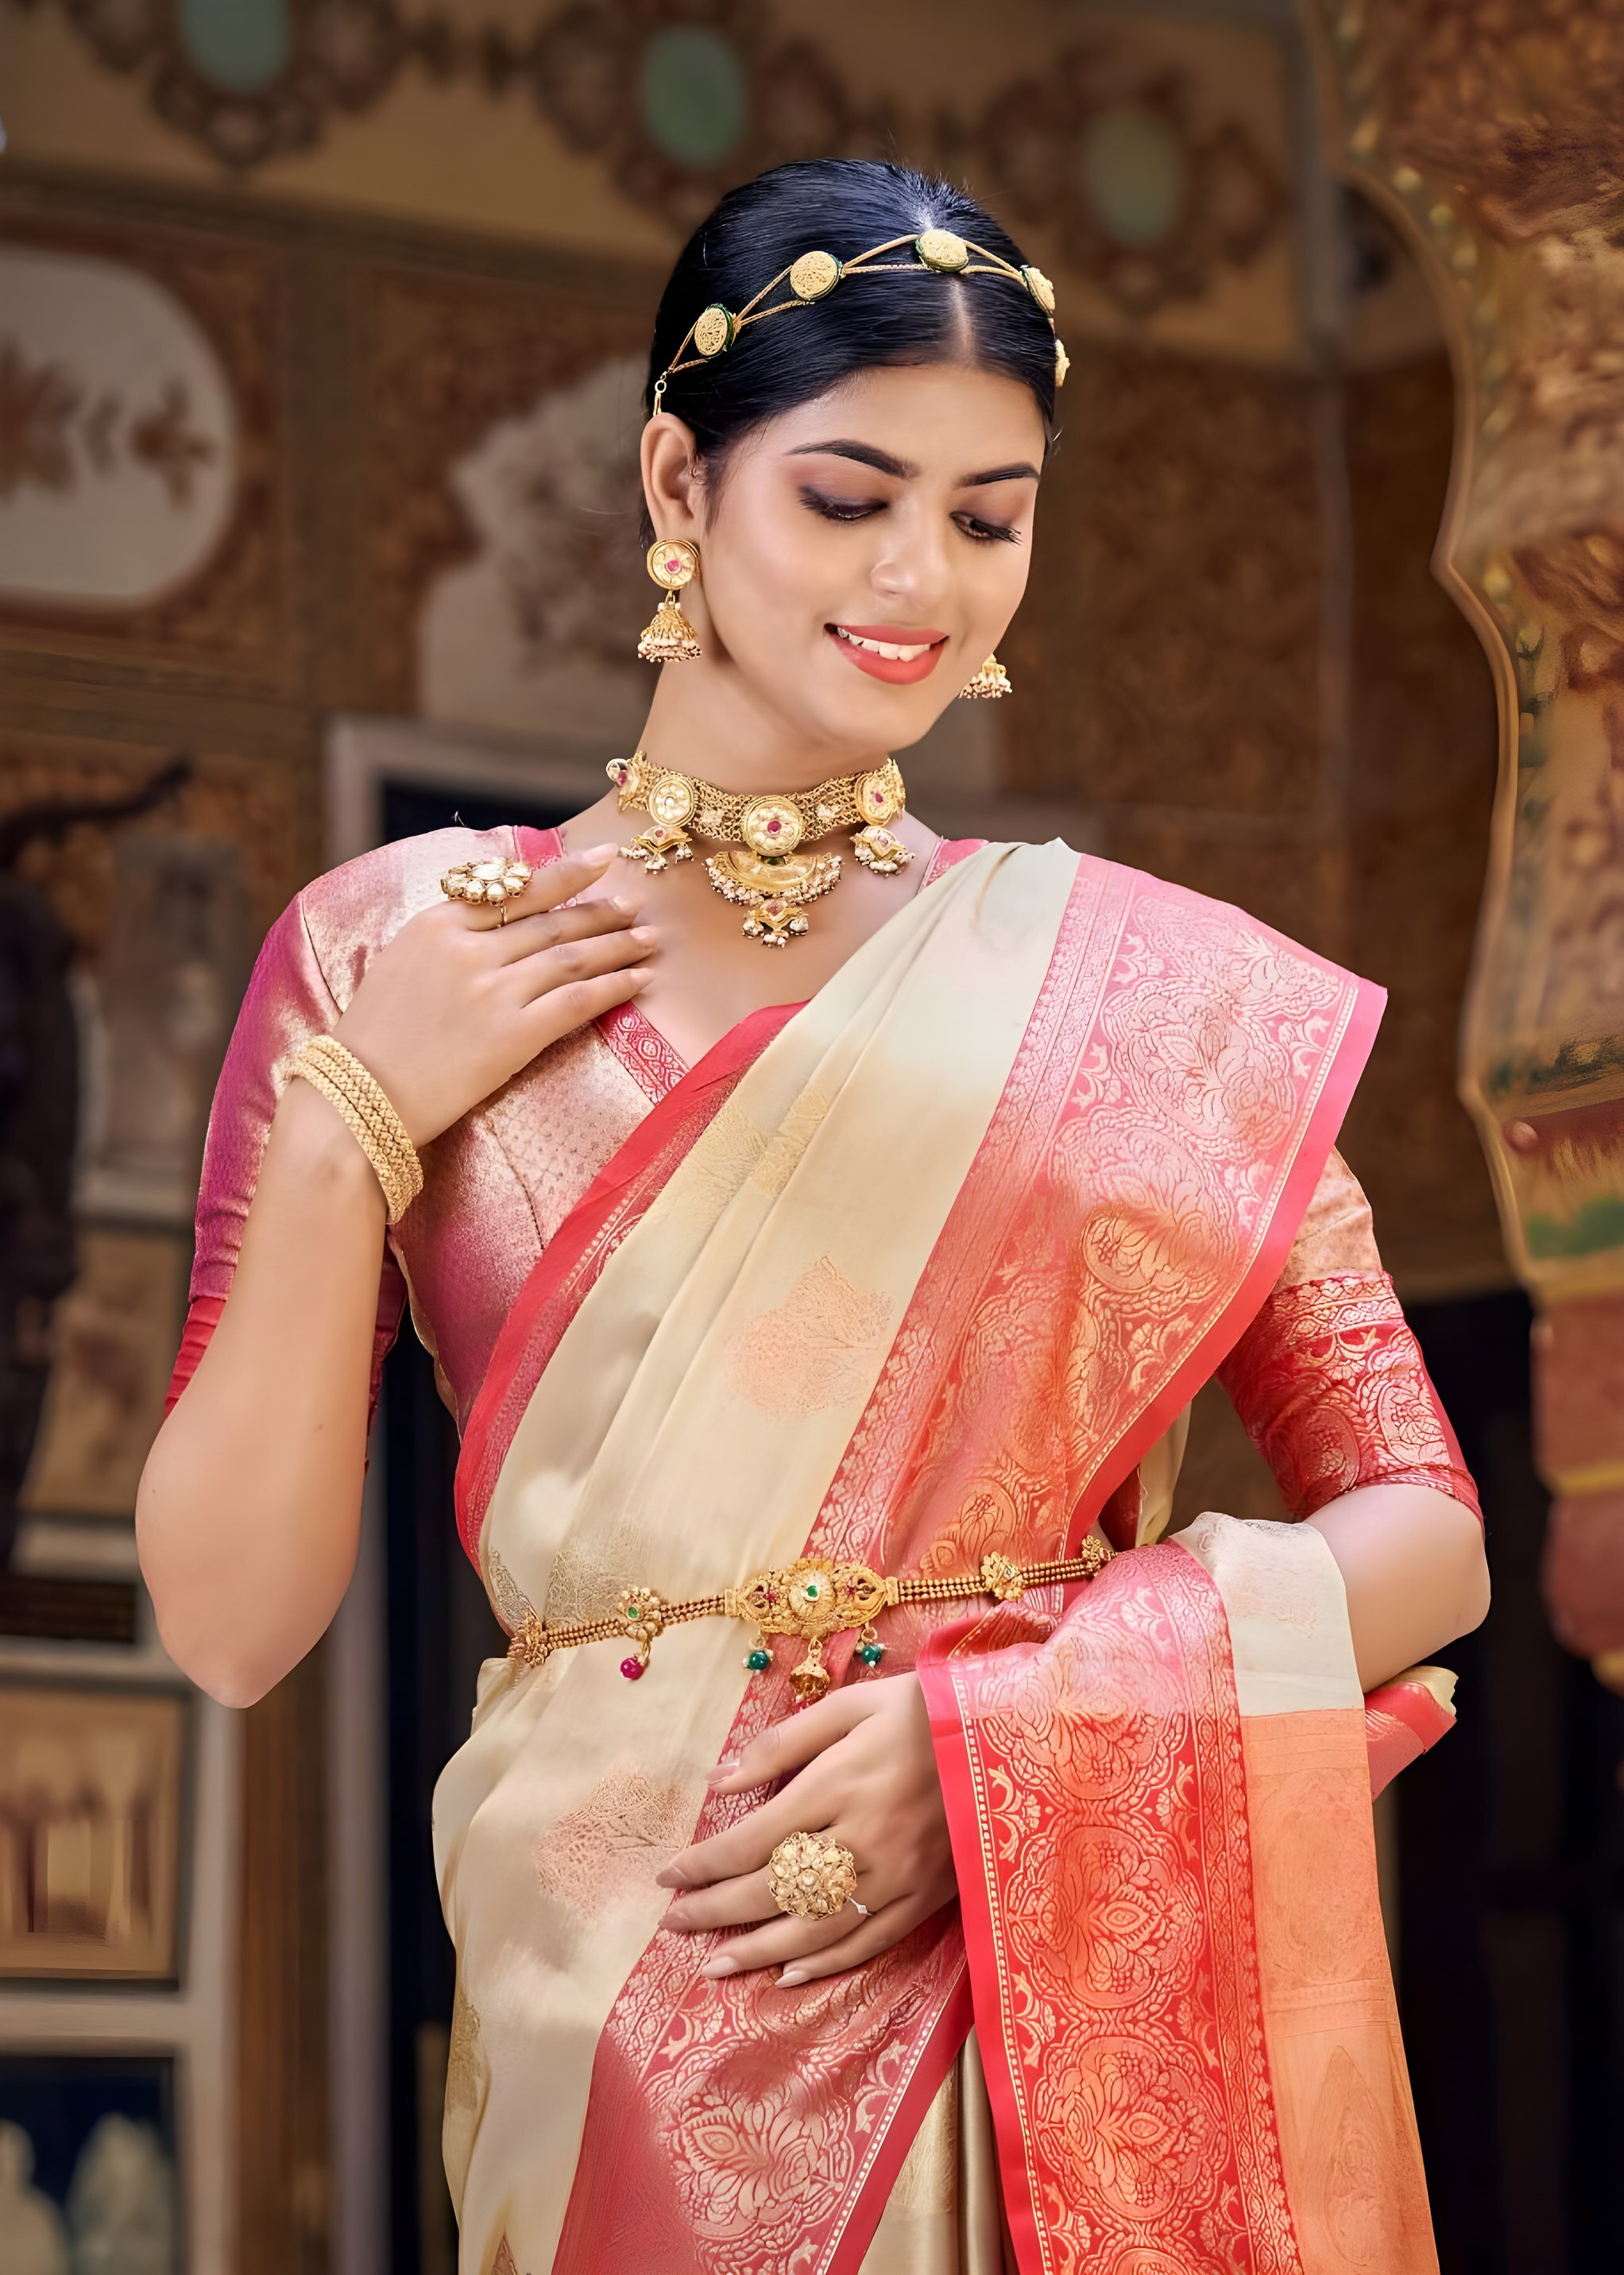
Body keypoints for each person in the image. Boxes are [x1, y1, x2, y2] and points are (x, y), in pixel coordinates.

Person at [137, 160, 1490, 2274]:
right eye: (845, 496)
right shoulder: (399, 954)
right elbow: (226, 1625)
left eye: (988, 511)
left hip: (1035, 1972)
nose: (920, 580)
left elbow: (1425, 1530)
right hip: (618, 1976)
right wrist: (347, 1126)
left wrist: (1002, 1749)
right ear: (679, 481)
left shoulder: (1145, 999)